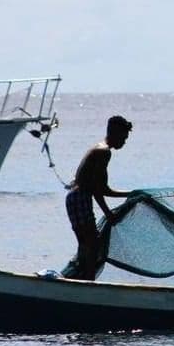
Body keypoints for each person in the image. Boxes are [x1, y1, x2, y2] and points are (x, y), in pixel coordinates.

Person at [65, 115, 133, 280]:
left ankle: (80, 278)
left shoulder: (100, 149)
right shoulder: (104, 152)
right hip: (80, 197)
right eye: (123, 138)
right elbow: (97, 190)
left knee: (86, 243)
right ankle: (88, 281)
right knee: (92, 243)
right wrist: (108, 213)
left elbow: (104, 189)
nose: (124, 142)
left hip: (75, 197)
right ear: (114, 133)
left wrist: (130, 194)